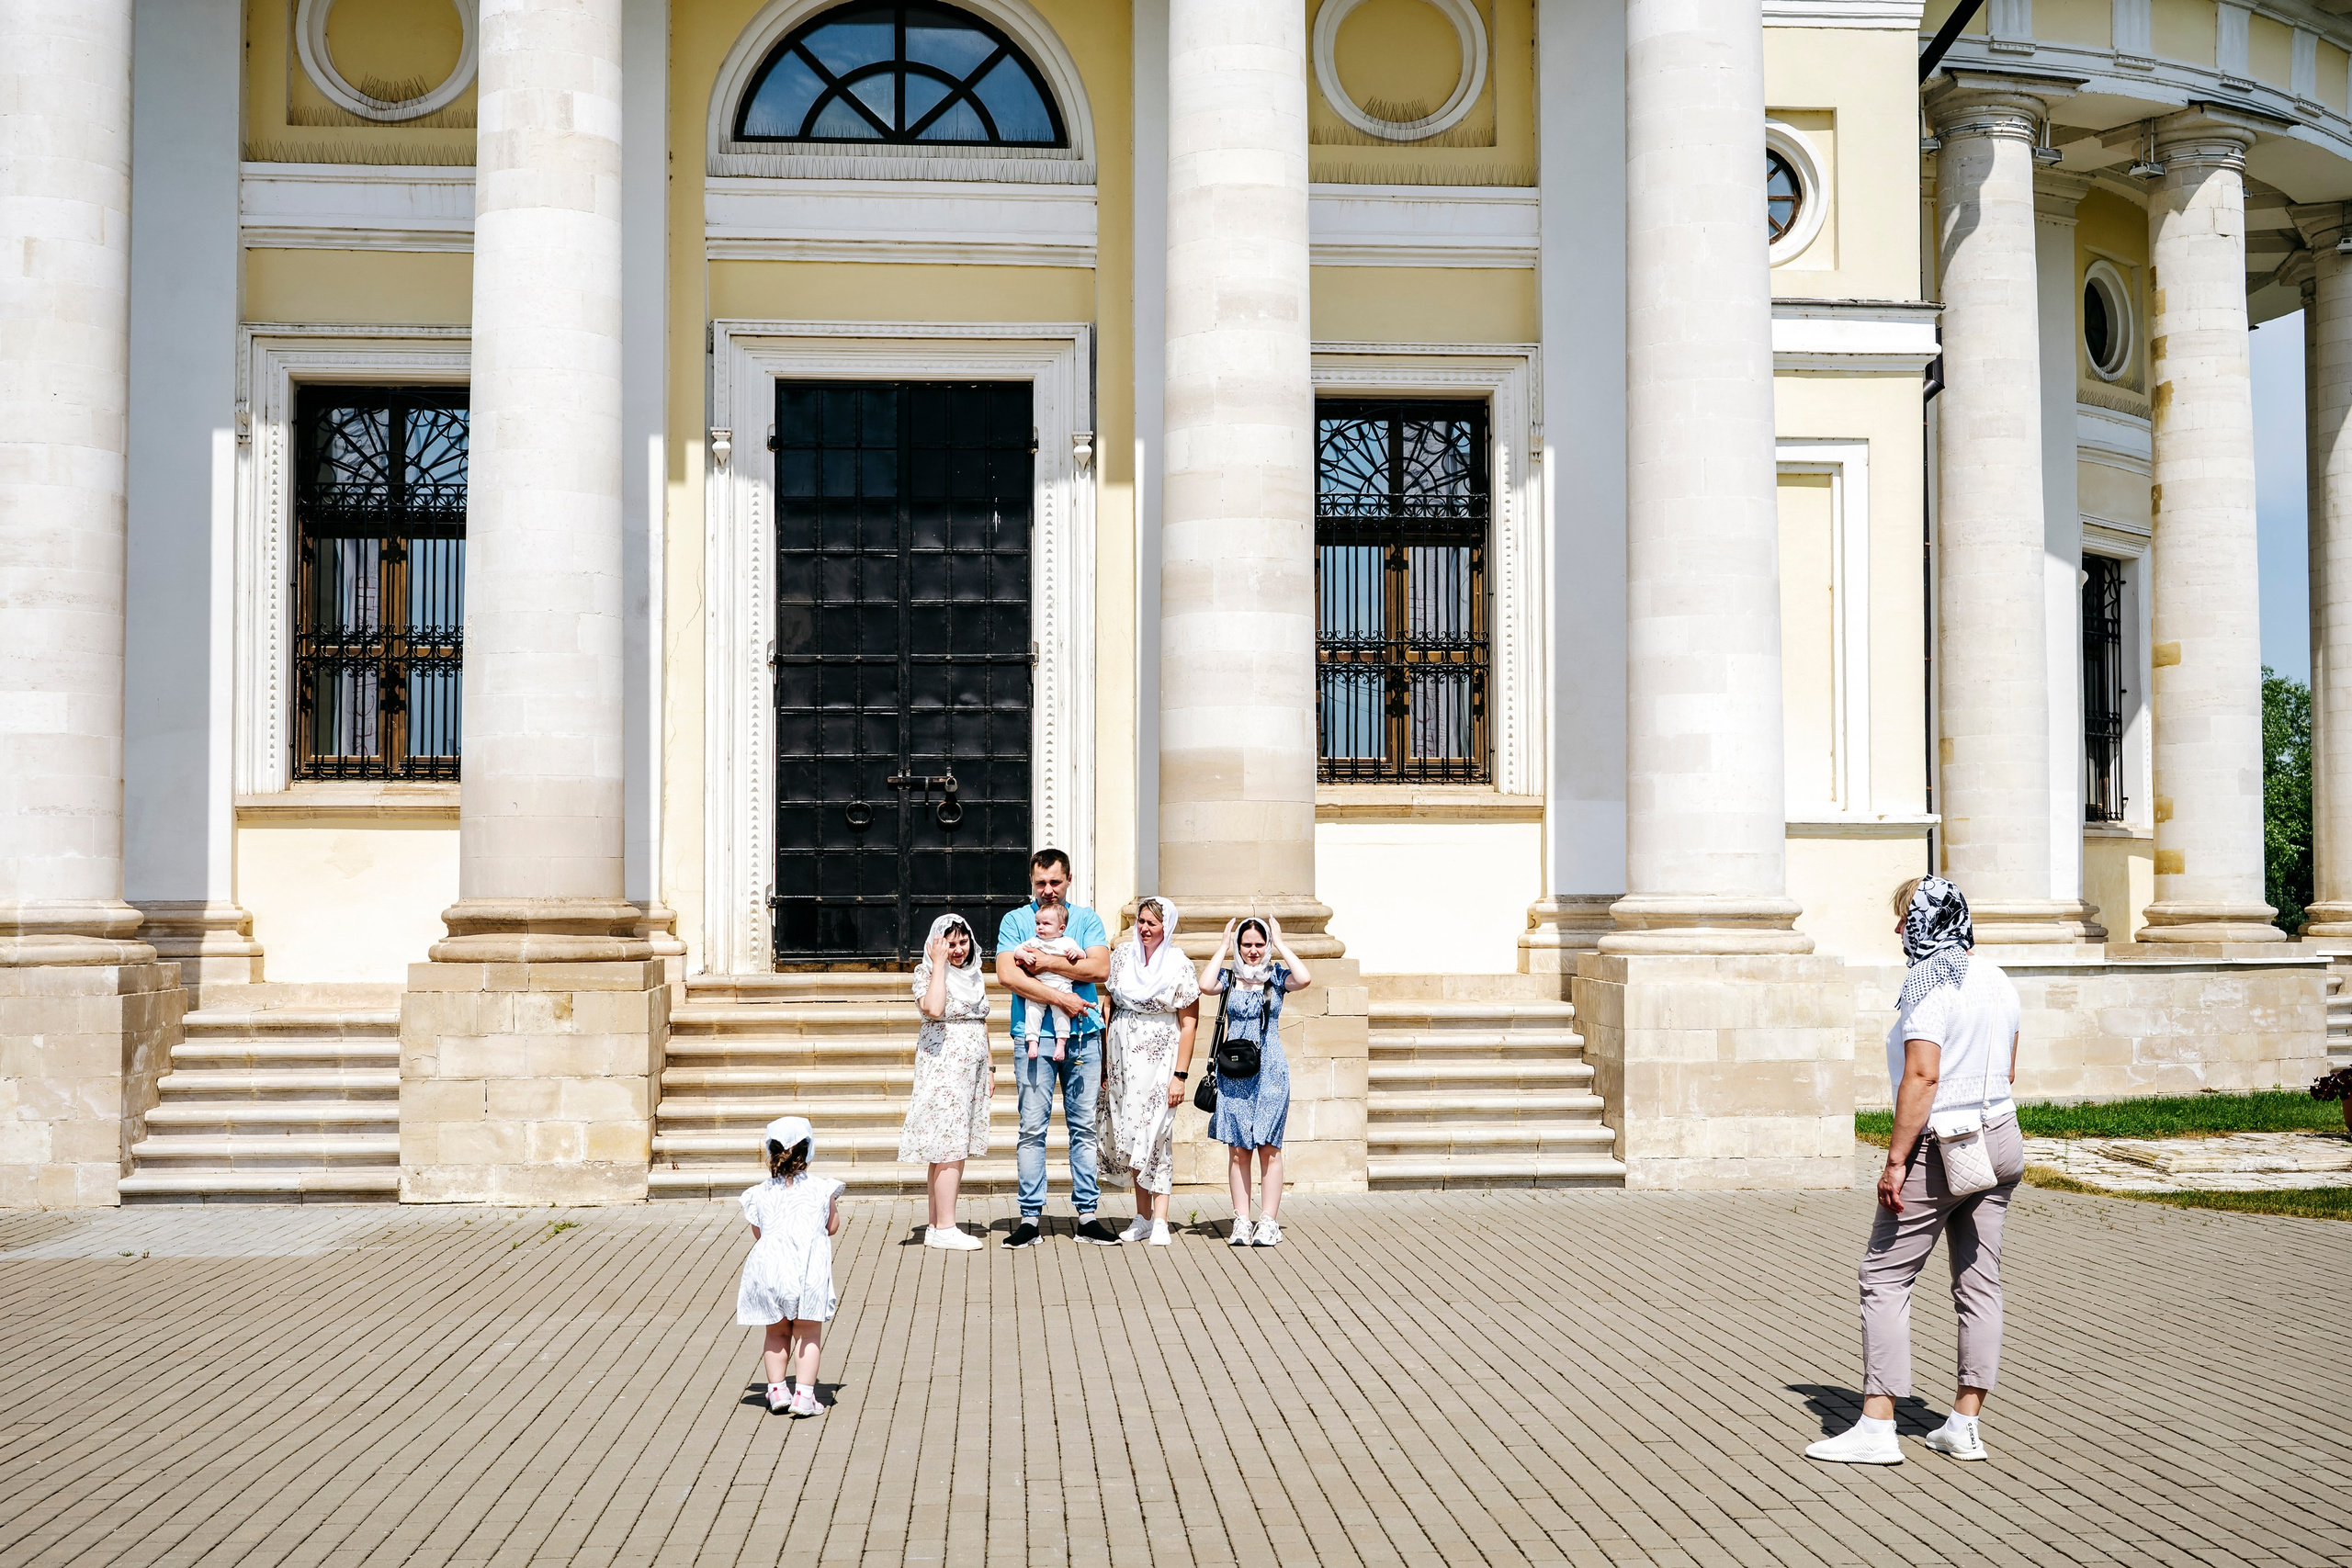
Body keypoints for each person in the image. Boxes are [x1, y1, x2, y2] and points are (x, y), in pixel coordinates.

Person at [1807, 874, 2025, 1466]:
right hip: (2001, 1139)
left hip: (1940, 1146)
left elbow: (1922, 1076)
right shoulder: (1999, 980)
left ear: (1928, 920)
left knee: (1884, 1276)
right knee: (1979, 1282)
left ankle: (1877, 1427)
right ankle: (1964, 1424)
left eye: (1907, 916)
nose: (1899, 928)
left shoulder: (1928, 983)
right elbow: (2006, 1070)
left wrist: (1896, 1159)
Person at [995, 848, 1117, 1247]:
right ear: (1032, 882)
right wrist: (1062, 995)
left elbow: (1099, 968)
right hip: (1032, 1039)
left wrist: (1044, 963)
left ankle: (1087, 1216)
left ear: (1069, 880)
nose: (1048, 890)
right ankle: (1030, 1219)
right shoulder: (1015, 920)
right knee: (1032, 1129)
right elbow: (1007, 975)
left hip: (1082, 1036)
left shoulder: (1086, 920)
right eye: (1040, 883)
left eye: (1055, 882)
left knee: (1082, 1129)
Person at [1200, 916, 1311, 1248]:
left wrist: (1280, 944)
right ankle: (1241, 1220)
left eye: (1258, 944)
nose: (1252, 951)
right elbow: (1205, 985)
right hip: (1234, 1071)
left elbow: (1304, 979)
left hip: (1271, 1070)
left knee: (1269, 1148)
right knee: (1238, 1151)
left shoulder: (1276, 977)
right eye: (1246, 944)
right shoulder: (1228, 978)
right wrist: (1222, 947)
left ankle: (1268, 1221)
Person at [1095, 897, 1201, 1246]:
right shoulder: (1123, 956)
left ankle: (1161, 1219)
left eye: (1152, 923)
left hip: (1160, 1055)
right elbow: (1109, 1002)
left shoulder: (1179, 965)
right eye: (1141, 921)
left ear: (1165, 926)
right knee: (1131, 1132)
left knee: (1157, 1133)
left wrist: (1180, 1075)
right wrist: (1105, 1057)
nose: (1144, 929)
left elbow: (1189, 1023)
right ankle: (1140, 1217)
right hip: (1122, 1056)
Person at [737, 1115, 844, 1418]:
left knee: (776, 1332)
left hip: (771, 1272)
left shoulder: (760, 1193)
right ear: (808, 1151)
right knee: (808, 1334)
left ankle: (777, 1390)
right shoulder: (822, 1189)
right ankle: (805, 1397)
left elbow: (759, 1233)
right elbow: (832, 1226)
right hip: (808, 1271)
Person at [898, 913, 991, 1251]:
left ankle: (938, 1224)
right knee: (947, 1145)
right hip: (944, 1070)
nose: (958, 950)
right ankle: (946, 1226)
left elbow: (979, 1020)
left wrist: (991, 1067)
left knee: (950, 1147)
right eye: (950, 944)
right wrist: (938, 964)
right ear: (936, 944)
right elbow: (935, 1009)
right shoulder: (927, 974)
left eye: (962, 942)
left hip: (972, 1071)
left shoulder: (973, 974)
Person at [1012, 902, 1087, 1062]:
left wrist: (1076, 953)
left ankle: (1061, 1042)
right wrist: (1024, 956)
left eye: (1046, 924)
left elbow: (1083, 955)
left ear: (1061, 928)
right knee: (1032, 1011)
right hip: (1039, 985)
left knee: (1062, 1014)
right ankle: (1032, 1041)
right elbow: (1017, 950)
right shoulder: (1035, 941)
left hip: (1062, 985)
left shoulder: (1067, 942)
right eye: (1038, 923)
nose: (1040, 927)